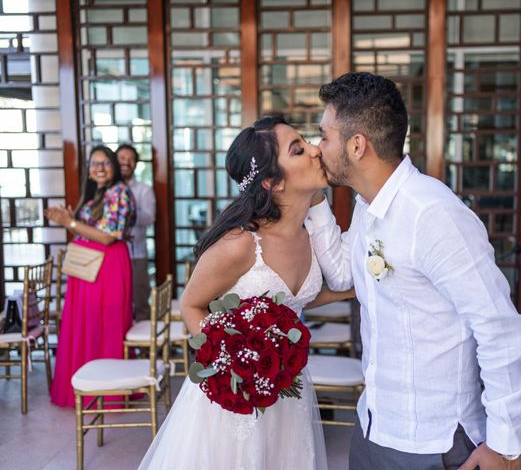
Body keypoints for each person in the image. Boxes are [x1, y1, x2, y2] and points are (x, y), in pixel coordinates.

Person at [305, 72, 521, 470]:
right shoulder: (367, 205)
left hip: (434, 438)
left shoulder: (433, 214)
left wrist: (505, 444)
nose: (316, 148)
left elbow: (499, 329)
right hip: (374, 423)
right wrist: (312, 199)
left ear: (357, 145)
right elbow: (346, 274)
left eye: (324, 136)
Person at [138, 117, 351, 469]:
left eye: (307, 142)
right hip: (233, 398)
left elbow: (299, 299)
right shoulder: (239, 244)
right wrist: (231, 364)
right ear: (272, 182)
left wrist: (361, 288)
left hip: (288, 391)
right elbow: (191, 305)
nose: (315, 150)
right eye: (299, 149)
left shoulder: (311, 233)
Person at [46, 145, 136, 407]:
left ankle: (109, 390)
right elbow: (87, 228)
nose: (99, 167)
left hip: (107, 265)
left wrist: (70, 224)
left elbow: (108, 236)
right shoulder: (95, 192)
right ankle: (85, 384)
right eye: (94, 163)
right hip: (86, 266)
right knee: (84, 322)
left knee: (104, 323)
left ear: (114, 167)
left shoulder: (119, 192)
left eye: (105, 163)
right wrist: (68, 218)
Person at [116, 144, 156, 321]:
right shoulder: (108, 190)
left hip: (136, 254)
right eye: (122, 158)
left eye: (130, 159)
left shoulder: (143, 190)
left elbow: (149, 218)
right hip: (111, 256)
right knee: (115, 303)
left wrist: (129, 208)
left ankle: (146, 348)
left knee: (140, 302)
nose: (126, 162)